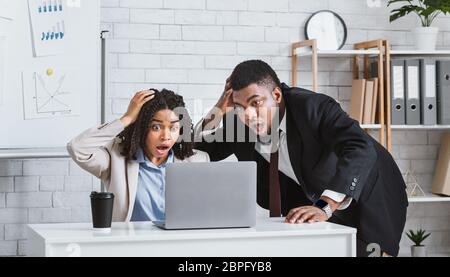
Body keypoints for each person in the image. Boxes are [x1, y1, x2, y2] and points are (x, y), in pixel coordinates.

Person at [194, 60, 408, 257]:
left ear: (276, 96)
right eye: (240, 107)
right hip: (315, 198)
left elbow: (360, 147)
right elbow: (196, 148)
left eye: (256, 103)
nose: (248, 115)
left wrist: (326, 205)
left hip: (371, 191)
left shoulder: (313, 108)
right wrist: (218, 110)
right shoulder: (239, 124)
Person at [68, 89, 209, 222]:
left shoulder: (198, 161)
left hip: (179, 244)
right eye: (156, 127)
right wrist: (126, 119)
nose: (166, 136)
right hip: (132, 245)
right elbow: (78, 148)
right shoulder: (116, 160)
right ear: (141, 128)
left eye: (173, 128)